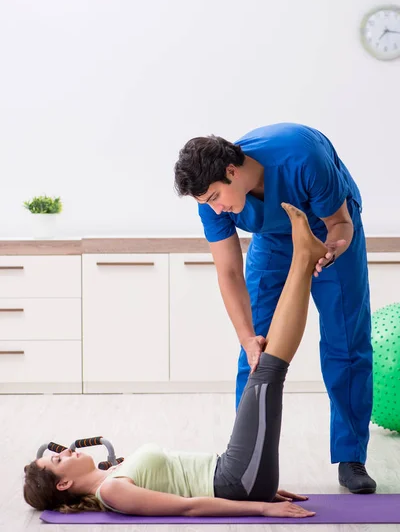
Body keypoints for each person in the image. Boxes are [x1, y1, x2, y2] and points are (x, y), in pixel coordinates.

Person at [25, 204, 326, 518]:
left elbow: (183, 481)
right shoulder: (112, 491)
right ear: (64, 485)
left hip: (235, 474)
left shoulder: (112, 474)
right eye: (58, 460)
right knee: (266, 371)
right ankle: (303, 256)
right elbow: (187, 506)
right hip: (233, 480)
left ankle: (304, 255)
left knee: (265, 369)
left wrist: (261, 484)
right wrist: (259, 505)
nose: (68, 451)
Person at [174, 123, 376, 494]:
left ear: (232, 172)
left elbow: (340, 222)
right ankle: (244, 459)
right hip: (272, 238)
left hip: (328, 229)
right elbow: (230, 271)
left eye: (217, 197)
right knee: (255, 351)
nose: (216, 208)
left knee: (346, 342)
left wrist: (330, 250)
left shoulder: (303, 158)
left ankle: (351, 456)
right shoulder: (212, 202)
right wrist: (246, 336)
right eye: (207, 203)